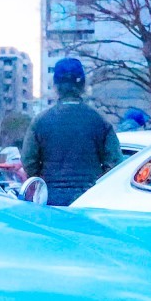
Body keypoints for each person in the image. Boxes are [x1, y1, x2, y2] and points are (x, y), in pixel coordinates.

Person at [21, 58, 122, 206]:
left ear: (55, 85)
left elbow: (28, 161)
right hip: (89, 197)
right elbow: (114, 162)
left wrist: (40, 178)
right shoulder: (100, 120)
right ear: (83, 84)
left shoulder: (40, 121)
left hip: (51, 198)